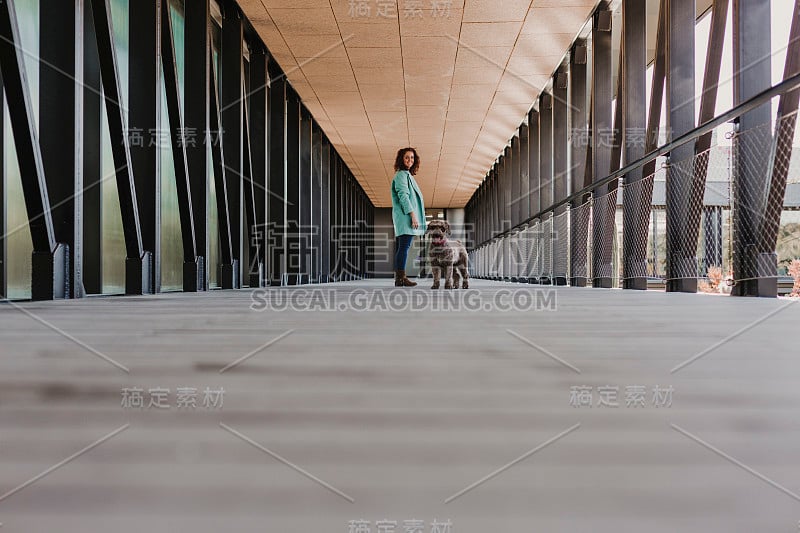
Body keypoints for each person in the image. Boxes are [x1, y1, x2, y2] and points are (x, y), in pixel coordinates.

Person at [390, 147, 426, 287]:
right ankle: (400, 278)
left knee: (403, 246)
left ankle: (400, 278)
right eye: (406, 157)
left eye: (412, 158)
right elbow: (403, 196)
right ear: (401, 159)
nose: (409, 160)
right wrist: (413, 215)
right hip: (406, 217)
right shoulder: (401, 175)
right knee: (404, 247)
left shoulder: (407, 175)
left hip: (406, 217)